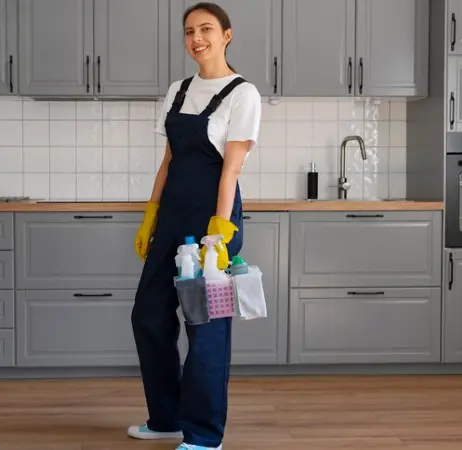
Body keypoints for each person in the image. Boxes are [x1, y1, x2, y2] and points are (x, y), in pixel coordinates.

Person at [128, 2, 262, 449]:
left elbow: (232, 171)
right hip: (171, 218)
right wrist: (151, 214)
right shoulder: (179, 89)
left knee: (205, 328)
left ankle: (204, 435)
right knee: (148, 316)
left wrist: (220, 232)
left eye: (206, 29)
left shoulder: (243, 94)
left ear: (227, 34)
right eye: (189, 31)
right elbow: (168, 159)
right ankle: (166, 416)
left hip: (213, 221)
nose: (196, 38)